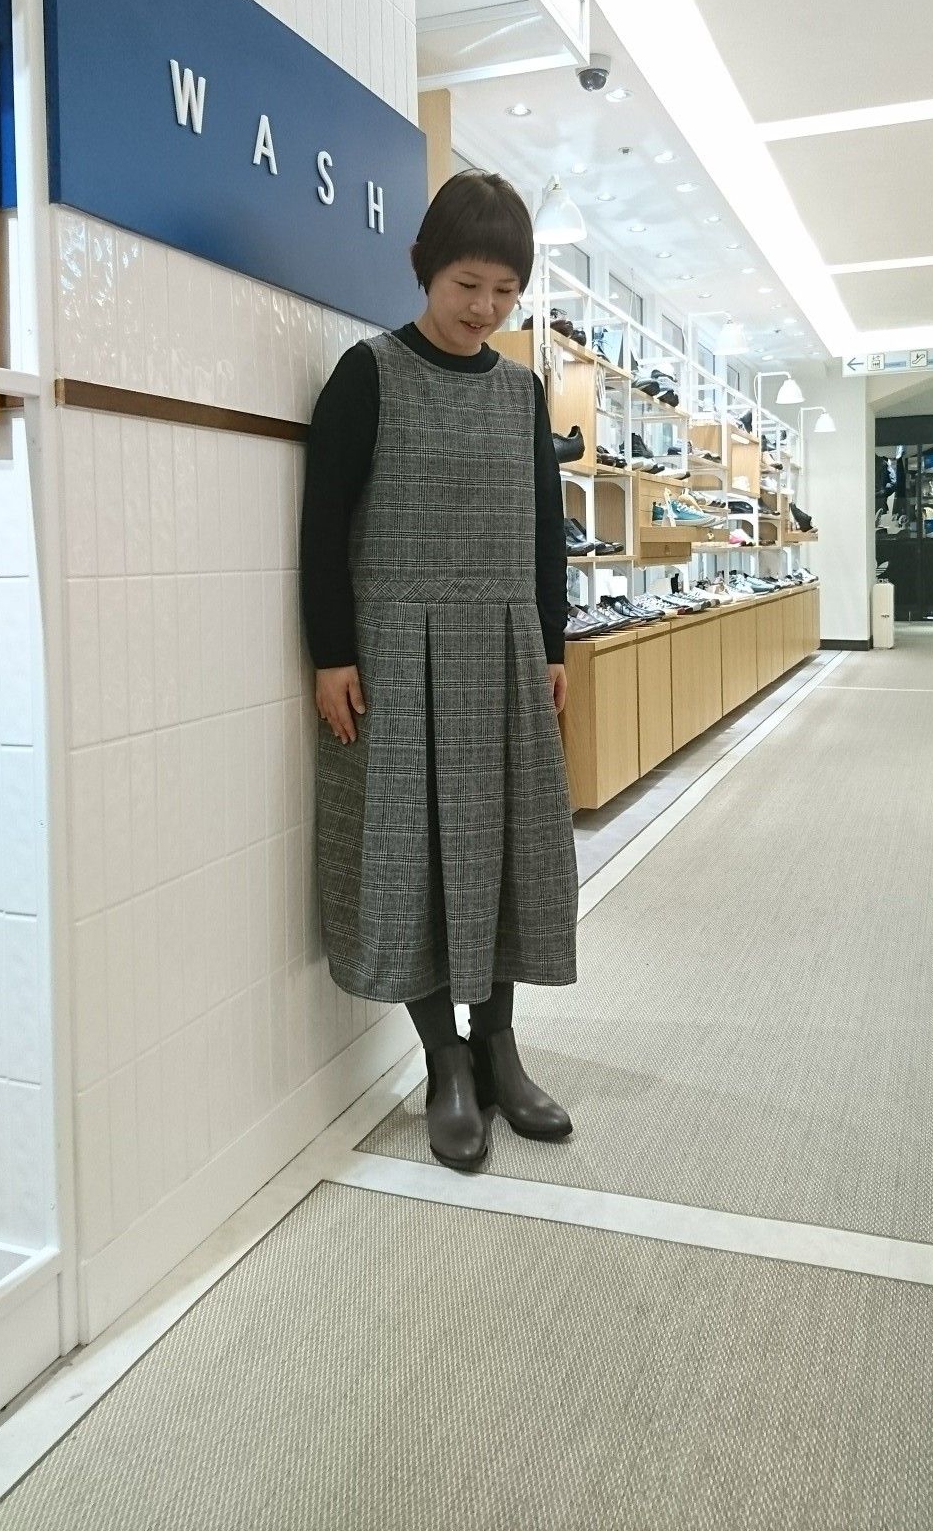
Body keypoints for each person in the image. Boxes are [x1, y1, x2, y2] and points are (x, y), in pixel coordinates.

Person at [300, 170, 579, 1171]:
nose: (485, 308)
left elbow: (546, 535)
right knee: (410, 849)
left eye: (506, 291)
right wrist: (331, 652)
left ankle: (500, 1047)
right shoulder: (367, 374)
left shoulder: (522, 392)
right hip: (395, 657)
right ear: (424, 266)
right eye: (468, 284)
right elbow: (321, 527)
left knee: (506, 846)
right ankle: (444, 1061)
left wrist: (552, 644)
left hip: (504, 653)